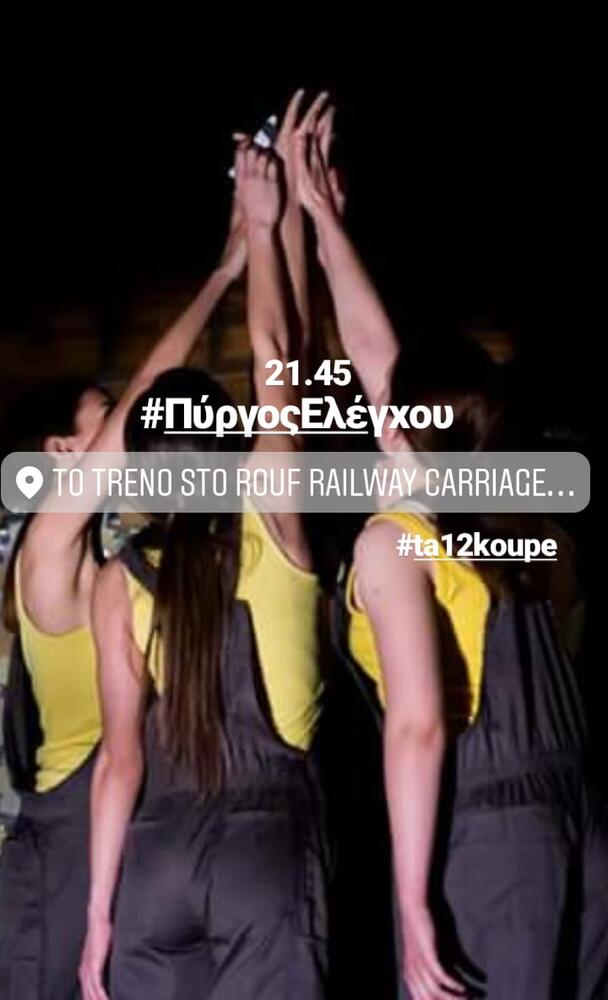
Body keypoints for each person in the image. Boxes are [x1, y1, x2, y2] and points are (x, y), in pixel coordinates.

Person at [296, 126, 608, 999]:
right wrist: (324, 221)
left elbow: (419, 726)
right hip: (583, 820)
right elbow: (381, 364)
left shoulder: (398, 542)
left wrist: (410, 903)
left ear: (399, 425)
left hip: (492, 834)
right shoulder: (530, 527)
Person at [79, 141, 329, 999]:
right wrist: (267, 227)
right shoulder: (273, 523)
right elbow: (277, 360)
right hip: (265, 849)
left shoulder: (117, 579)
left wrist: (99, 921)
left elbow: (120, 763)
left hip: (153, 864)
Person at [0, 195, 246, 999]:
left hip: (119, 829)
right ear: (61, 450)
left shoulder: (123, 561)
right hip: (65, 845)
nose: (129, 440)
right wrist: (224, 275)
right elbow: (149, 395)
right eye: (107, 425)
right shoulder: (45, 550)